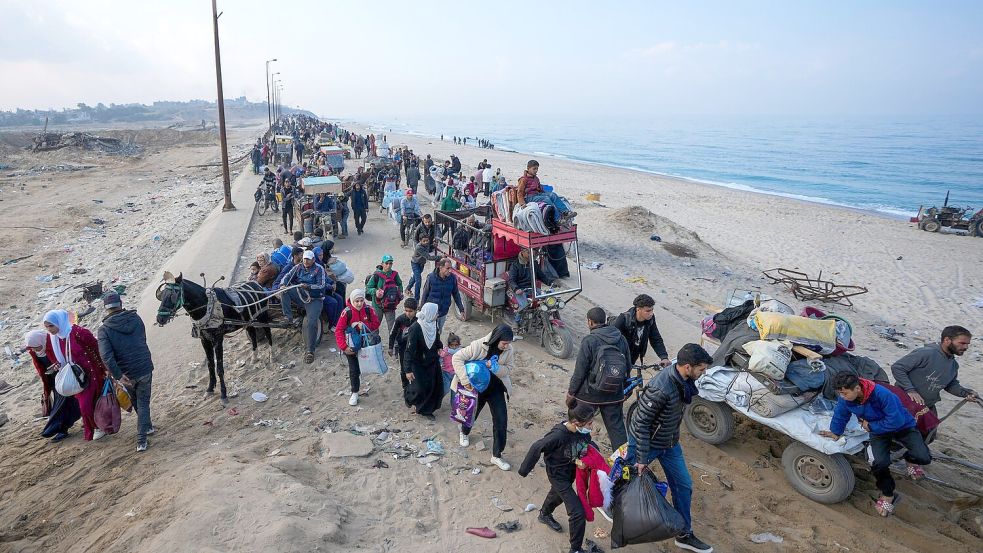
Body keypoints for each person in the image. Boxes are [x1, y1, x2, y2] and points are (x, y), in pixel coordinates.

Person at [627, 343, 714, 553]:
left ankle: (684, 534)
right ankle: (613, 508)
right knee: (626, 481)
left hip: (670, 444)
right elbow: (640, 423)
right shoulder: (661, 388)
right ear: (687, 367)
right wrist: (641, 458)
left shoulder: (684, 381)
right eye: (701, 369)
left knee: (684, 485)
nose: (703, 374)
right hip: (646, 444)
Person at [820, 373, 931, 517]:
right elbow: (841, 414)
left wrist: (871, 426)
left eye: (845, 393)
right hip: (879, 432)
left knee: (923, 457)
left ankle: (910, 459)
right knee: (879, 463)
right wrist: (836, 432)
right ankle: (887, 493)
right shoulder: (847, 400)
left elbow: (896, 420)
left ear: (857, 389)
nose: (842, 397)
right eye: (840, 393)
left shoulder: (882, 394)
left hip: (902, 426)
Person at [518, 400, 596, 553]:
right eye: (589, 424)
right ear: (576, 423)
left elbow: (585, 445)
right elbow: (537, 446)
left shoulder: (581, 433)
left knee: (557, 495)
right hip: (557, 475)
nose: (591, 427)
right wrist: (524, 470)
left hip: (571, 472)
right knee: (578, 512)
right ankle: (575, 549)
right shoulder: (559, 435)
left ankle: (544, 514)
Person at [451, 324, 516, 471]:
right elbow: (457, 357)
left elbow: (509, 369)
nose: (506, 346)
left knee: (501, 420)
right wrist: (465, 381)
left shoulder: (509, 350)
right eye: (504, 343)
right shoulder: (479, 345)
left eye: (508, 343)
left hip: (496, 389)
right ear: (496, 339)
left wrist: (495, 368)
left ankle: (497, 456)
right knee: (471, 413)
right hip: (476, 388)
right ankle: (464, 432)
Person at [96, 293, 155, 452]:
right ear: (120, 304)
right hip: (144, 367)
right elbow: (142, 338)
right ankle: (146, 430)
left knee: (138, 401)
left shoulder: (104, 330)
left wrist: (118, 375)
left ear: (106, 309)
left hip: (126, 373)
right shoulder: (136, 319)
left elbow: (106, 356)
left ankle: (142, 437)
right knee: (142, 402)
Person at [566, 307, 631, 450]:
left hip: (589, 394)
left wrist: (571, 393)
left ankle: (576, 455)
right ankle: (623, 465)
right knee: (617, 430)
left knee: (579, 423)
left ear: (590, 322)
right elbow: (627, 366)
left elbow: (580, 371)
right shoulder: (621, 338)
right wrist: (623, 390)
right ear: (605, 321)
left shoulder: (589, 340)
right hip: (614, 394)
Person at [42, 310, 108, 442]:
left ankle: (99, 427)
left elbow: (97, 348)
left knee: (88, 404)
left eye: (51, 326)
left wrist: (105, 368)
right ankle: (97, 426)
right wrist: (57, 365)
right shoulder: (55, 338)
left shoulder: (79, 333)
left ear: (59, 322)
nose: (49, 329)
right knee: (85, 404)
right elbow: (61, 359)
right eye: (47, 326)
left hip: (91, 372)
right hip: (76, 376)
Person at [891, 325, 977, 414]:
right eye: (962, 343)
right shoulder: (926, 353)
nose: (966, 347)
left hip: (926, 407)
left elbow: (950, 385)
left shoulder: (954, 365)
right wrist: (910, 390)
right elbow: (898, 367)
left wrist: (966, 393)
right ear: (947, 340)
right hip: (902, 402)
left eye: (967, 344)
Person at [24, 329, 80, 442]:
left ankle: (55, 429)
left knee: (64, 405)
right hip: (53, 381)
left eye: (36, 347)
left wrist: (58, 365)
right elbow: (40, 367)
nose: (34, 350)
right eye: (32, 348)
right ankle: (61, 429)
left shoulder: (53, 343)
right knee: (64, 404)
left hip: (66, 377)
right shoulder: (34, 350)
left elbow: (66, 357)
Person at [335, 289, 381, 406]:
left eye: (361, 300)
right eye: (356, 301)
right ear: (352, 300)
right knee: (354, 369)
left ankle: (359, 384)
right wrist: (344, 347)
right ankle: (354, 392)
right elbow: (339, 330)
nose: (359, 304)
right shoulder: (347, 312)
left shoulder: (368, 309)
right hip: (351, 346)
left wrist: (364, 325)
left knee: (363, 367)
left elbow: (376, 323)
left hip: (366, 344)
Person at [280, 250, 327, 364]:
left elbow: (321, 285)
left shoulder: (319, 269)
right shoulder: (297, 267)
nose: (306, 261)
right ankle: (288, 317)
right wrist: (283, 284)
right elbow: (287, 276)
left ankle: (310, 351)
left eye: (308, 259)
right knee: (284, 291)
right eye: (304, 259)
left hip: (314, 299)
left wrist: (309, 287)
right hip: (300, 294)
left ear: (313, 260)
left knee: (311, 323)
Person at [403, 303, 445, 420]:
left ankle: (426, 411)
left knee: (432, 386)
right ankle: (410, 398)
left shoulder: (433, 323)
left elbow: (436, 339)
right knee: (420, 388)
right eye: (435, 313)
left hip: (432, 361)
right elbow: (409, 350)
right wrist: (408, 370)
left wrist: (439, 347)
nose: (437, 315)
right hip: (418, 363)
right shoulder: (416, 328)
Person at [612, 294, 671, 367]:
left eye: (652, 310)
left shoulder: (650, 320)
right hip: (618, 356)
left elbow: (655, 338)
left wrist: (664, 357)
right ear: (638, 309)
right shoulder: (623, 319)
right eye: (648, 311)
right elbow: (611, 339)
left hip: (633, 355)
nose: (651, 313)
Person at [517, 159, 576, 225]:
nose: (536, 170)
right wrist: (522, 203)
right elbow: (520, 192)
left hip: (537, 194)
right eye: (534, 169)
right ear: (528, 168)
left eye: (537, 169)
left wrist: (547, 194)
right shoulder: (523, 179)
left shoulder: (536, 178)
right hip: (529, 197)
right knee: (546, 199)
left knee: (553, 195)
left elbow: (540, 188)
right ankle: (557, 219)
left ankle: (566, 212)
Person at [420, 258, 466, 333]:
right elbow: (425, 293)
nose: (450, 270)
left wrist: (461, 309)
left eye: (450, 268)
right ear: (441, 268)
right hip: (431, 312)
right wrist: (421, 309)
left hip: (443, 312)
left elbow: (456, 294)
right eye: (448, 268)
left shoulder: (452, 278)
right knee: (429, 332)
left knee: (439, 332)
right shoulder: (431, 277)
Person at [365, 254, 403, 339]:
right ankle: (374, 343)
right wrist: (375, 291)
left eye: (390, 263)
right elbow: (368, 288)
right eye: (387, 263)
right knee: (374, 327)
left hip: (391, 305)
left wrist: (400, 292)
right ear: (382, 264)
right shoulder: (376, 275)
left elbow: (400, 284)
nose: (389, 265)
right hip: (377, 306)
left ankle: (393, 346)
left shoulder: (394, 274)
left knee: (392, 327)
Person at [389, 298, 419, 402]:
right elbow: (393, 333)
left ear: (416, 310)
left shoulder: (419, 320)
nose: (408, 313)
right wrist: (390, 347)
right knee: (404, 369)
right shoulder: (400, 319)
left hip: (415, 349)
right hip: (402, 348)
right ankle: (405, 388)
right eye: (406, 310)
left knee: (415, 368)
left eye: (411, 311)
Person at [407, 234, 441, 300]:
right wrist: (440, 257)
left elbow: (428, 248)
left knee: (415, 277)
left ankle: (408, 289)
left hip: (421, 264)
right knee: (418, 281)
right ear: (420, 241)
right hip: (415, 264)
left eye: (427, 240)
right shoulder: (418, 247)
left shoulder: (427, 244)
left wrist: (432, 245)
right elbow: (428, 257)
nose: (426, 242)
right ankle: (416, 299)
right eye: (424, 241)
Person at [439, 332, 462, 402]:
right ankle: (436, 400)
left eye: (456, 345)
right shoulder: (445, 351)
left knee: (454, 392)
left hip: (456, 374)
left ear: (459, 345)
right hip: (446, 373)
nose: (454, 347)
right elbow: (440, 357)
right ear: (449, 345)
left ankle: (453, 407)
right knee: (445, 390)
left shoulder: (461, 352)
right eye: (452, 345)